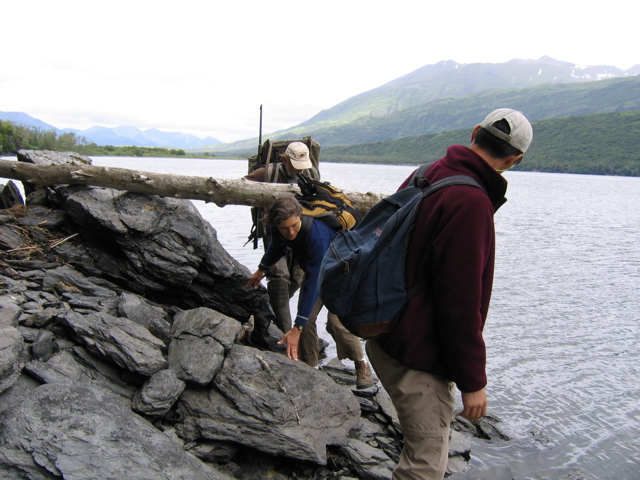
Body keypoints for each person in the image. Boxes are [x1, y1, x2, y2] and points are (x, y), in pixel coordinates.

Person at [365, 108, 533, 479]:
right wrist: (473, 382)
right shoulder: (471, 201)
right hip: (416, 353)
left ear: (475, 132)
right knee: (425, 465)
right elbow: (459, 303)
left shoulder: (427, 172)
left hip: (384, 333)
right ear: (515, 159)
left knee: (416, 449)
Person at [247, 196, 374, 389]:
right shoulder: (278, 227)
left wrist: (296, 327)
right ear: (276, 224)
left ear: (300, 216)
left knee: (336, 322)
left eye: (294, 226)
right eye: (285, 228)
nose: (290, 232)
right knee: (306, 322)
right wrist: (261, 269)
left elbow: (313, 282)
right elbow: (277, 247)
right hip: (318, 272)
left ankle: (361, 364)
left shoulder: (317, 236)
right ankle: (311, 369)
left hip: (344, 274)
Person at [245, 142, 319, 333]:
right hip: (276, 232)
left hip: (301, 232)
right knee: (279, 276)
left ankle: (277, 319)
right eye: (295, 165)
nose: (300, 170)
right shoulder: (266, 173)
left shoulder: (312, 174)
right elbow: (242, 186)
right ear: (285, 159)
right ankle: (285, 333)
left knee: (296, 279)